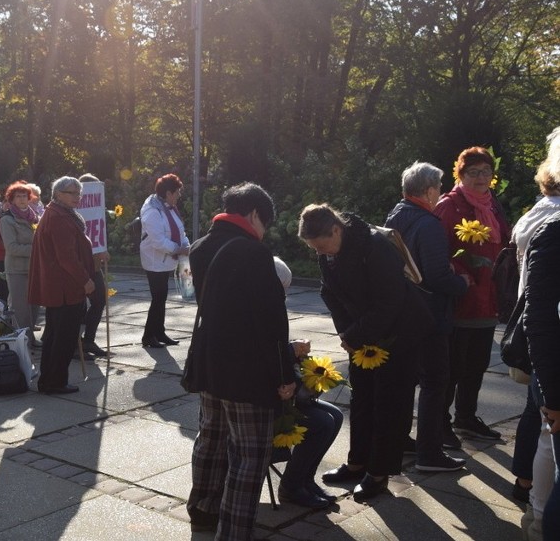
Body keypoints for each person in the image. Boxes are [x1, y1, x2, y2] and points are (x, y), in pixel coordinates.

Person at [183, 182, 296, 538]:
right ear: (253, 215)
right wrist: (284, 374)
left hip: (210, 363)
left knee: (211, 439)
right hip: (248, 371)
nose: (264, 232)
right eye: (265, 223)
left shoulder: (200, 247)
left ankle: (202, 510)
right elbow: (272, 324)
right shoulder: (253, 254)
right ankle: (233, 533)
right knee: (249, 456)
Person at [298, 203, 433, 501]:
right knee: (361, 400)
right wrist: (347, 334)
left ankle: (379, 473)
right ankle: (357, 462)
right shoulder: (330, 253)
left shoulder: (373, 246)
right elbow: (329, 293)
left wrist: (354, 333)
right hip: (363, 335)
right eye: (314, 249)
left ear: (336, 229)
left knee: (388, 404)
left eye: (322, 245)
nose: (320, 253)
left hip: (400, 334)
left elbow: (390, 302)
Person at [385, 162, 470, 472]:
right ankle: (430, 453)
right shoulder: (428, 223)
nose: (441, 193)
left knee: (407, 379)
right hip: (429, 316)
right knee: (435, 381)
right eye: (439, 188)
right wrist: (462, 283)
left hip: (402, 314)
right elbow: (435, 276)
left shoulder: (396, 215)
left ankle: (401, 441)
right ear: (430, 190)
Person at [434, 146, 511, 442]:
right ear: (460, 174)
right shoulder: (449, 205)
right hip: (461, 298)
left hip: (488, 296)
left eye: (486, 172)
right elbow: (436, 251)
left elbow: (504, 239)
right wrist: (459, 268)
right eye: (473, 172)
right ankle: (440, 421)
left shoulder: (493, 204)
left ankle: (466, 417)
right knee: (453, 366)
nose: (481, 178)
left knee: (477, 364)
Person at [271, 256, 344, 509]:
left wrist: (296, 356)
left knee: (335, 415)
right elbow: (262, 360)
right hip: (260, 406)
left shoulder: (268, 308)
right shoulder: (254, 313)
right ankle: (291, 487)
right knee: (322, 423)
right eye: (282, 289)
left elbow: (276, 354)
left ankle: (304, 479)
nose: (284, 296)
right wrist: (291, 354)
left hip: (277, 396)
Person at [510, 158, 560, 504]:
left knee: (536, 412)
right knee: (545, 421)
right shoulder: (553, 217)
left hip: (531, 316)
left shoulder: (535, 212)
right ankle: (537, 506)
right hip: (543, 323)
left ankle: (526, 485)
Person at [28, 176, 95, 394]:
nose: (77, 197)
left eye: (79, 193)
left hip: (61, 287)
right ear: (58, 194)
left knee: (56, 335)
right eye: (71, 192)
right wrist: (85, 280)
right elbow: (66, 257)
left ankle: (50, 380)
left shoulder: (59, 213)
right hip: (64, 288)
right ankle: (54, 382)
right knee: (62, 338)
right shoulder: (58, 216)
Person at [139, 173, 189, 348]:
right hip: (154, 261)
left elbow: (180, 231)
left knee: (161, 297)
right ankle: (148, 337)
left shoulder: (168, 207)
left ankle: (159, 332)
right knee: (158, 297)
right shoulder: (153, 211)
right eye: (177, 192)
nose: (179, 195)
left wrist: (186, 246)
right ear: (168, 193)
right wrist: (179, 249)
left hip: (165, 260)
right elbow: (158, 240)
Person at [0, 182, 40, 345]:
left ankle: (31, 339)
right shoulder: (7, 220)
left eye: (25, 196)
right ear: (12, 200)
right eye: (18, 196)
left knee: (35, 305)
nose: (22, 199)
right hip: (17, 269)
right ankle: (22, 341)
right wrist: (37, 249)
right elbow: (12, 248)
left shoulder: (34, 217)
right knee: (20, 307)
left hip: (35, 267)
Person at [79, 173, 110, 358]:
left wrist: (102, 249)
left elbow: (98, 230)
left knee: (99, 300)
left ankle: (88, 340)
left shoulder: (97, 209)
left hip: (95, 266)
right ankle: (75, 343)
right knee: (78, 306)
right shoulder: (74, 211)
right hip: (80, 266)